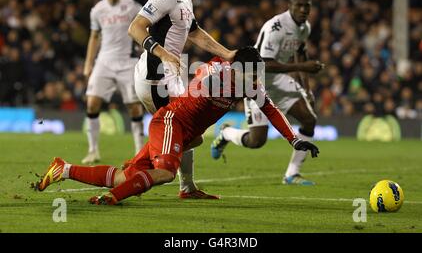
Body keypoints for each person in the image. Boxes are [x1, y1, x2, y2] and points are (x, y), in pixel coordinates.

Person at [35, 47, 319, 205]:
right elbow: (200, 75)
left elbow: (271, 110)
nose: (256, 80)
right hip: (171, 122)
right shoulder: (218, 72)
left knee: (126, 177)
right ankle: (110, 199)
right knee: (164, 173)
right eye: (252, 74)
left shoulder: (250, 84)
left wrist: (294, 140)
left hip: (181, 132)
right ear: (237, 69)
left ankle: (65, 169)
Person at [127, 0, 236, 199]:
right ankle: (134, 169)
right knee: (187, 131)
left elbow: (196, 32)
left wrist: (227, 53)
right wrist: (163, 54)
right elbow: (135, 28)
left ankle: (185, 186)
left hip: (170, 77)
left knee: (186, 128)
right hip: (155, 77)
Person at [210, 0, 324, 185]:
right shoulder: (276, 27)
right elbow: (263, 63)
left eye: (308, 6)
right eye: (300, 5)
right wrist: (301, 67)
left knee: (309, 119)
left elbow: (301, 53)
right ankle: (226, 133)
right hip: (256, 80)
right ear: (290, 6)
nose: (304, 10)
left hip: (280, 80)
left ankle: (292, 174)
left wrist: (306, 87)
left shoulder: (305, 27)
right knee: (257, 141)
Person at [82, 0, 145, 164]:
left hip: (128, 62)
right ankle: (93, 150)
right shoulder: (97, 10)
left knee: (134, 108)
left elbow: (145, 27)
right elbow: (94, 37)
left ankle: (139, 153)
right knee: (92, 103)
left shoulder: (133, 7)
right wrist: (88, 64)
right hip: (104, 62)